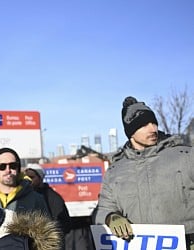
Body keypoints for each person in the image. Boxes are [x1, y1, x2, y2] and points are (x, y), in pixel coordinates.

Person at [94, 96, 194, 250]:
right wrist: (111, 217)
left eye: (153, 122)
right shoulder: (115, 171)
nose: (153, 128)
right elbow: (103, 209)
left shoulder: (185, 156)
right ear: (131, 131)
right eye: (144, 125)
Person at [0, 148, 50, 215]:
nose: (8, 170)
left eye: (13, 166)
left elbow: (46, 224)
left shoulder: (36, 199)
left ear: (18, 168)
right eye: (2, 166)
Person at [24, 164, 71, 235]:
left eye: (31, 177)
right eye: (26, 178)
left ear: (40, 178)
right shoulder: (24, 196)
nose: (28, 180)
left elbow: (63, 224)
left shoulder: (53, 198)